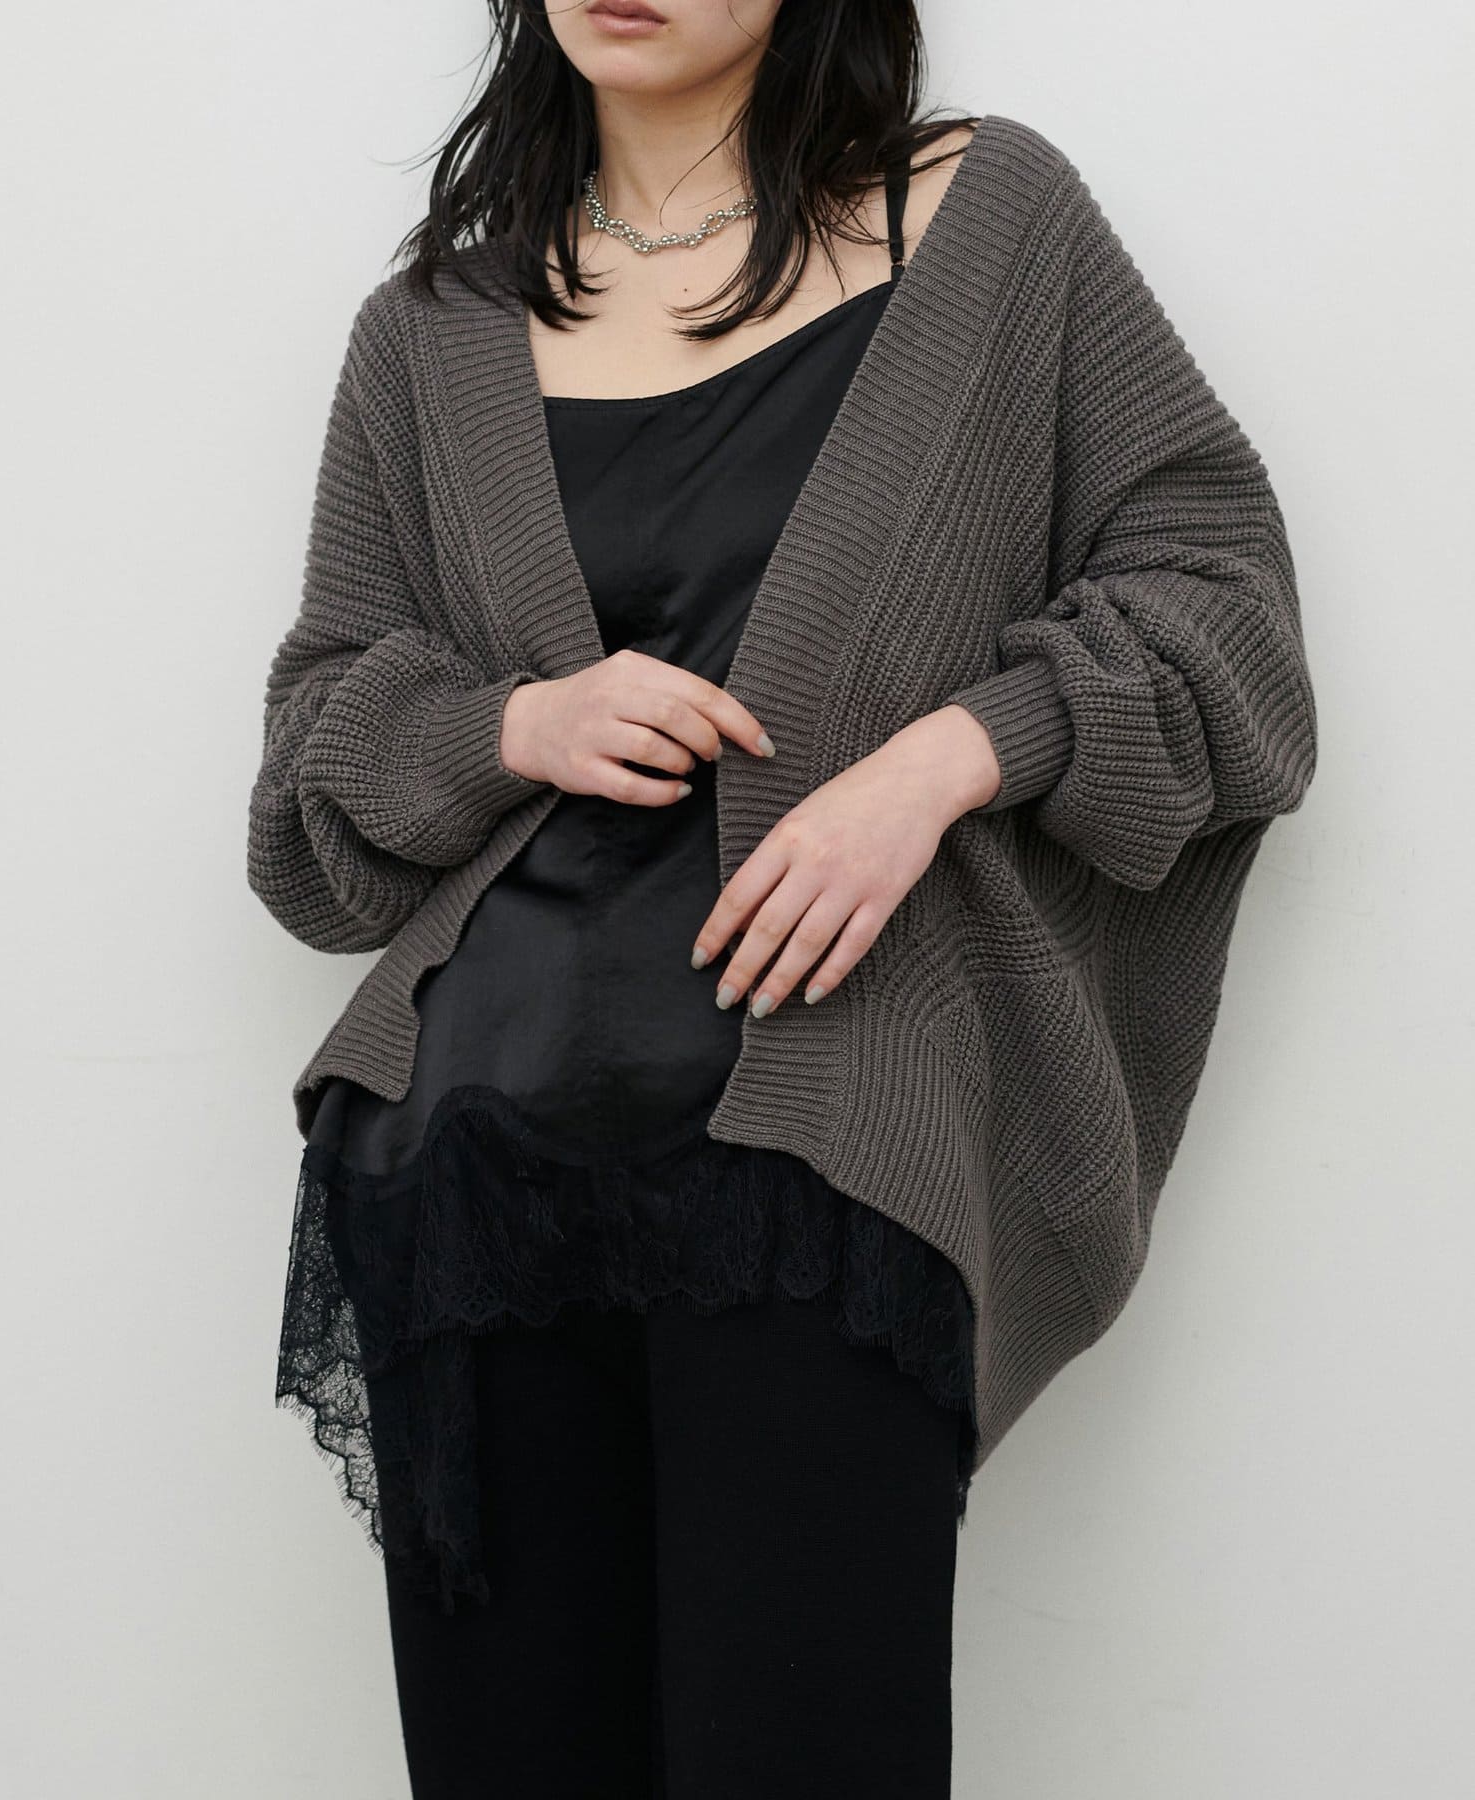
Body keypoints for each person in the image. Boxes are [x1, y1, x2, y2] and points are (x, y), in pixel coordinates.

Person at [248, 4, 1318, 1796]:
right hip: (473, 1170)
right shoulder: (430, 329)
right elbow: (305, 787)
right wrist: (515, 722)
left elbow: (1227, 617)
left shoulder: (986, 224)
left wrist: (945, 762)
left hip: (820, 1175)